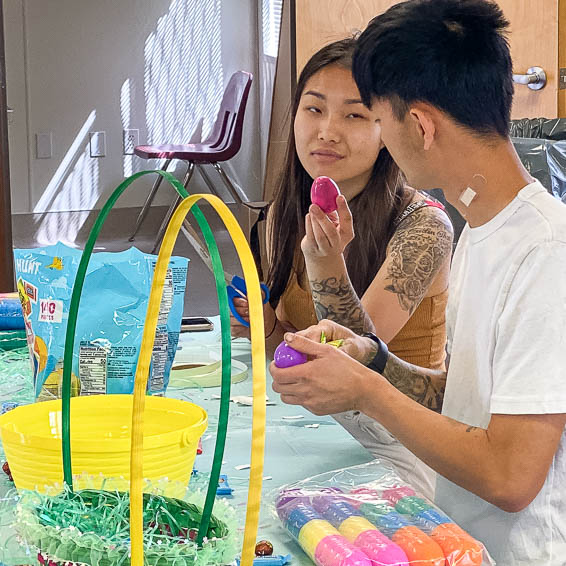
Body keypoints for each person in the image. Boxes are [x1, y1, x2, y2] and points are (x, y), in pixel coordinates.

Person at [270, 1, 566, 564]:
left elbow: (510, 476)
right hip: (457, 536)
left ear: (421, 125)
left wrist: (369, 391)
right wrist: (376, 362)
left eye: (375, 117)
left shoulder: (546, 252)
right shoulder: (482, 229)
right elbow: (463, 400)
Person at [231, 38, 453, 497]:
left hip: (400, 442)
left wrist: (326, 265)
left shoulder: (425, 227)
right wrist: (267, 325)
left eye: (354, 115)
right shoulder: (284, 214)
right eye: (313, 109)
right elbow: (290, 349)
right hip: (314, 423)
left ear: (388, 129)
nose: (327, 131)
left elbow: (357, 359)